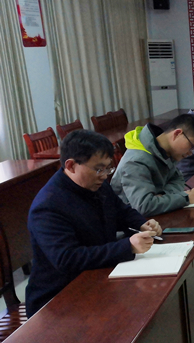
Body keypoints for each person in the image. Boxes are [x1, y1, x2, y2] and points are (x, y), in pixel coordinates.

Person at [25, 130, 160, 318]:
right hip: (58, 299)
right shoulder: (48, 206)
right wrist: (127, 246)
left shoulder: (96, 184)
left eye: (108, 168)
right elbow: (67, 259)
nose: (104, 175)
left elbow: (120, 210)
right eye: (98, 169)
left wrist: (142, 224)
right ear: (71, 165)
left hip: (98, 276)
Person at [111, 114, 194, 216]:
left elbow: (178, 179)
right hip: (132, 222)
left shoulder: (164, 151)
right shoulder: (136, 161)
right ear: (177, 134)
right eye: (191, 146)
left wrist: (163, 196)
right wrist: (185, 198)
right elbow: (144, 206)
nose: (191, 153)